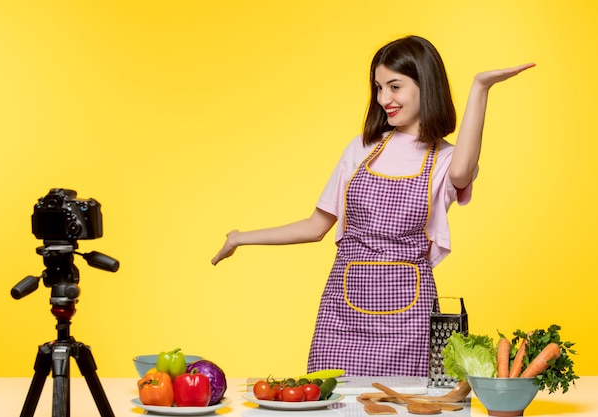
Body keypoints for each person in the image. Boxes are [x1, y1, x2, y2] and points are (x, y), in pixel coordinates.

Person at [212, 35, 534, 376]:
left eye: (394, 87)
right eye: (379, 88)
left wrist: (480, 87)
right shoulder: (362, 148)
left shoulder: (446, 159)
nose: (384, 99)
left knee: (403, 406)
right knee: (330, 405)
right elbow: (315, 226)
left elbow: (461, 171)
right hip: (342, 316)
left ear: (426, 85)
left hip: (408, 321)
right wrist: (241, 237)